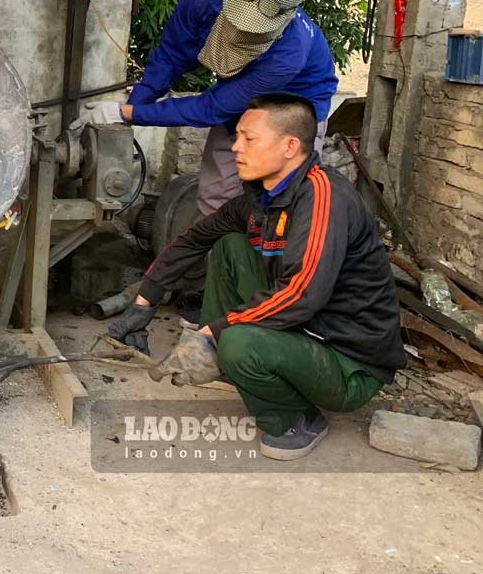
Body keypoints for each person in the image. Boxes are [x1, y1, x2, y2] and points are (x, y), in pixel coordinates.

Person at [107, 94, 406, 460]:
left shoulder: (322, 196)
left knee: (238, 342)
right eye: (237, 137)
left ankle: (297, 420)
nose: (236, 147)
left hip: (348, 362)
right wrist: (144, 301)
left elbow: (301, 293)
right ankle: (237, 366)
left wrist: (212, 333)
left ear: (289, 146)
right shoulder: (262, 197)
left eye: (249, 138)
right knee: (229, 246)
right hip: (309, 332)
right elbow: (194, 239)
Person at [86, 0, 338, 215]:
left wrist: (127, 113)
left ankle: (271, 251)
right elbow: (171, 56)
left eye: (252, 30)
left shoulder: (288, 54)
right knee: (215, 194)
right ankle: (221, 251)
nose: (241, 30)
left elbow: (212, 108)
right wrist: (132, 107)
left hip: (295, 106)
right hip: (238, 96)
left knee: (282, 199)